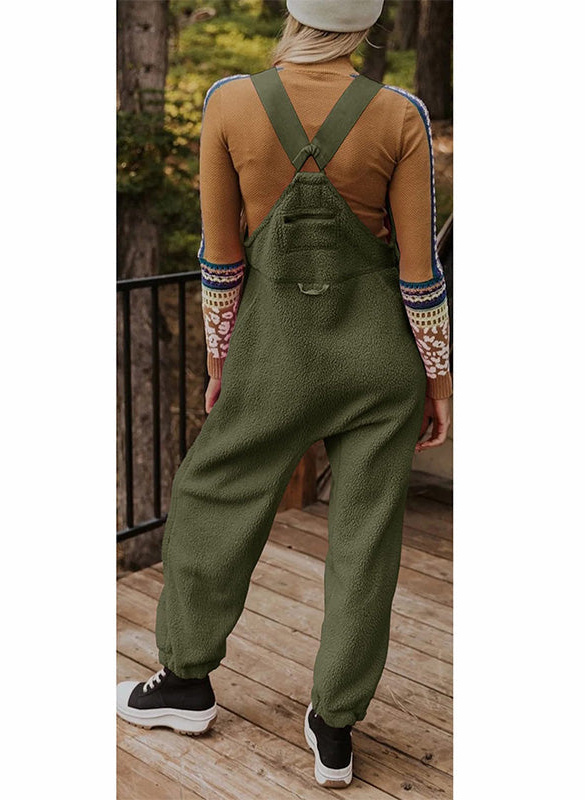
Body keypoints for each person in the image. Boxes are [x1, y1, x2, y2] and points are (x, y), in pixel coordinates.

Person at [117, 0, 452, 789]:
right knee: (366, 540)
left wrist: (220, 362)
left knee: (210, 499)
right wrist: (439, 382)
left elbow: (221, 260)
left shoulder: (230, 103)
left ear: (295, 14)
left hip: (272, 358)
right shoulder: (400, 115)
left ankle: (186, 682)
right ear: (365, 25)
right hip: (381, 367)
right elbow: (420, 276)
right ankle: (334, 727)